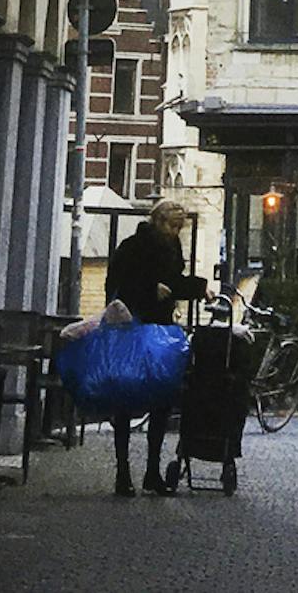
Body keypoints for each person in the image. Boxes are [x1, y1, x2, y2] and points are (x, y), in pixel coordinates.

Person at [105, 197, 191, 494]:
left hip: (158, 328)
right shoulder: (133, 248)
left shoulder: (171, 249)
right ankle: (124, 472)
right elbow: (117, 287)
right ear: (158, 222)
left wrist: (198, 287)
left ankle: (150, 471)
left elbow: (174, 282)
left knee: (160, 399)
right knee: (127, 398)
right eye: (172, 226)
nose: (175, 232)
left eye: (179, 227)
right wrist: (149, 290)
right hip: (134, 328)